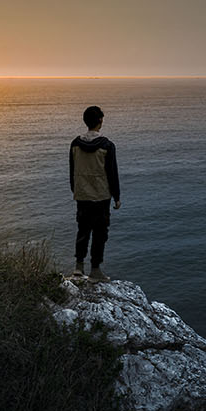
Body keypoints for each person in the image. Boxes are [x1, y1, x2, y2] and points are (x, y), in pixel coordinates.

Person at [69, 105, 120, 281]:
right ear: (100, 121)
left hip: (82, 195)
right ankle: (95, 270)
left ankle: (78, 267)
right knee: (100, 233)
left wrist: (75, 189)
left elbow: (72, 170)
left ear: (85, 121)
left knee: (82, 230)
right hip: (101, 196)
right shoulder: (107, 145)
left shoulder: (75, 144)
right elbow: (112, 173)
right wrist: (117, 196)